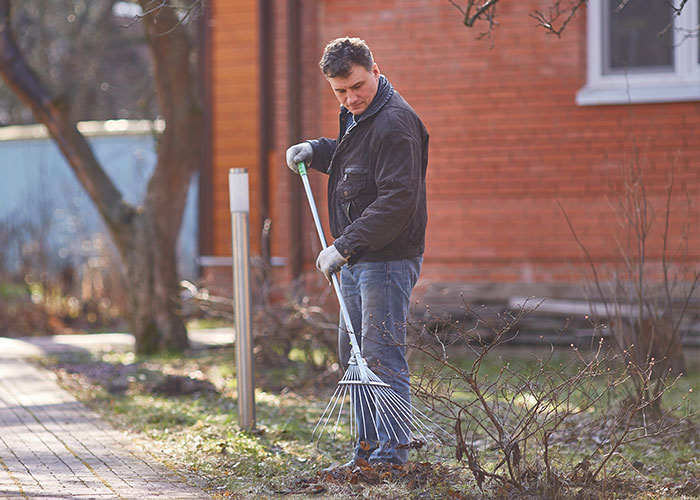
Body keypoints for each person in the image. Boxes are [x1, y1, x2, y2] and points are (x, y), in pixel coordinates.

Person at [285, 37, 429, 467]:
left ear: (375, 70)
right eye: (340, 92)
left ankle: (392, 455)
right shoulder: (358, 115)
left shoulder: (396, 123)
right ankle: (366, 451)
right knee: (354, 356)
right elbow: (355, 164)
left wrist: (342, 246)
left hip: (385, 259)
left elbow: (397, 200)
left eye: (357, 86)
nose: (350, 99)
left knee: (381, 356)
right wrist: (316, 149)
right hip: (356, 259)